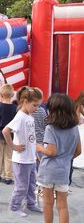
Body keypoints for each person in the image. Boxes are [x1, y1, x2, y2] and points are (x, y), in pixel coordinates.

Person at [36, 94, 81, 223]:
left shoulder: (51, 128)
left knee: (48, 203)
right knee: (62, 205)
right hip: (64, 170)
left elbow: (51, 151)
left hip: (48, 170)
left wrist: (39, 148)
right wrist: (66, 158)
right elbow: (78, 151)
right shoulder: (74, 128)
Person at [2, 86, 43, 217]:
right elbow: (5, 131)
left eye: (38, 106)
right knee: (22, 186)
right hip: (21, 160)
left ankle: (31, 203)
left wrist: (35, 152)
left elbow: (31, 137)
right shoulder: (20, 117)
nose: (36, 108)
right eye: (35, 105)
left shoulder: (29, 116)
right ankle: (14, 206)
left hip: (30, 158)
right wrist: (13, 146)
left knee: (31, 184)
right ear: (25, 102)